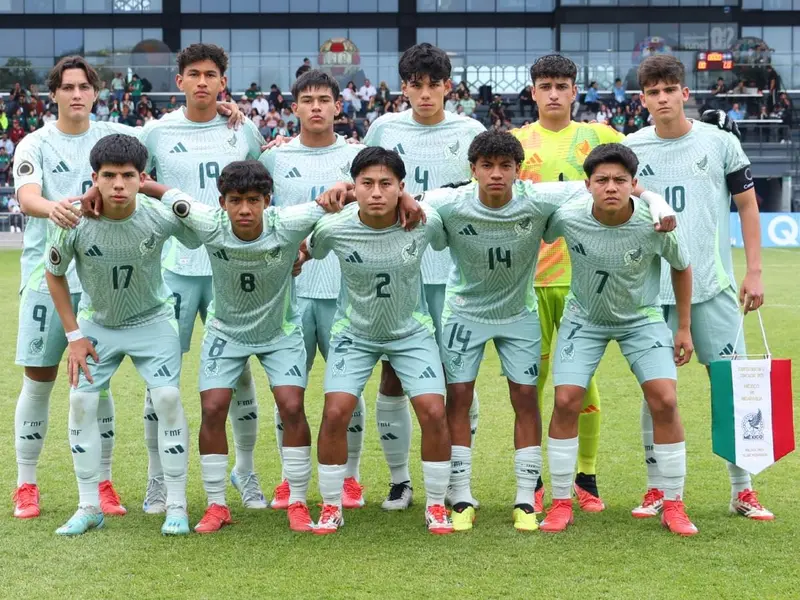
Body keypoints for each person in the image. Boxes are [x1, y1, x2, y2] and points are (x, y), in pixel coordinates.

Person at [143, 160, 334, 534]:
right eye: (235, 200)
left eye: (253, 200)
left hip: (280, 332)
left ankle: (297, 501)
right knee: (213, 408)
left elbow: (340, 201)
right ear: (222, 202)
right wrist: (141, 185)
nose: (244, 209)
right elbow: (168, 194)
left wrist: (343, 190)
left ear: (267, 201)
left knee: (291, 405)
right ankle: (217, 505)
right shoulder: (209, 222)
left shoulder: (289, 222)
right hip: (225, 332)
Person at [623, 54, 773, 521]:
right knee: (656, 392)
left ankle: (743, 489)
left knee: (731, 388)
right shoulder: (630, 148)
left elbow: (748, 206)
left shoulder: (720, 142)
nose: (663, 98)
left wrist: (754, 271)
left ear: (685, 93)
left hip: (712, 287)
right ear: (642, 100)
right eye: (653, 92)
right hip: (652, 294)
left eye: (670, 90)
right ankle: (656, 488)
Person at [538, 142, 696, 536]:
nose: (611, 187)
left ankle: (674, 504)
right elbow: (536, 223)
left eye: (620, 180)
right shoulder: (569, 216)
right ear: (587, 185)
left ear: (633, 184)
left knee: (665, 399)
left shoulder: (655, 222)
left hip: (641, 319)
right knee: (566, 400)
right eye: (602, 180)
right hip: (584, 318)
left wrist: (683, 327)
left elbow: (682, 266)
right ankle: (560, 503)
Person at [134, 43, 266, 514]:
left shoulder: (242, 129)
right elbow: (131, 181)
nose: (203, 82)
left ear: (223, 82)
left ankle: (245, 471)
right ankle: (157, 479)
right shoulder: (156, 132)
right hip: (175, 269)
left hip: (231, 269)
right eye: (194, 74)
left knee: (240, 372)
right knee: (159, 379)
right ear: (180, 81)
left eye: (211, 74)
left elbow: (261, 183)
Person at [44, 134, 195, 536]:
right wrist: (74, 335)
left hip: (153, 321)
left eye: (128, 176)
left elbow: (199, 230)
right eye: (108, 176)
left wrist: (161, 192)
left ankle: (176, 505)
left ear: (142, 178)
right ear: (94, 178)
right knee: (80, 402)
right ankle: (88, 506)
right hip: (97, 324)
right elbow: (54, 275)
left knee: (167, 398)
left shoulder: (158, 214)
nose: (118, 185)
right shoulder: (73, 219)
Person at [363, 43, 485, 511]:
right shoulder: (384, 128)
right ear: (404, 88)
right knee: (393, 374)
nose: (426, 93)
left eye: (435, 84)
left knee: (459, 379)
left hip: (455, 273)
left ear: (448, 87)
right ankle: (400, 480)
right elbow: (367, 183)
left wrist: (425, 199)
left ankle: (457, 480)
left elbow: (479, 191)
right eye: (417, 85)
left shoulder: (470, 131)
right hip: (398, 272)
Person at [307, 147, 453, 536]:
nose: (376, 192)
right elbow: (310, 248)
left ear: (401, 187)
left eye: (386, 184)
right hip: (354, 334)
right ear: (353, 187)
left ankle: (436, 505)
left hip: (411, 332)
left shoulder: (423, 221)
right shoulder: (334, 227)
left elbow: (448, 218)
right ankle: (331, 505)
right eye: (367, 183)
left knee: (434, 412)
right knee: (335, 412)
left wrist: (414, 201)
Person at [11, 56, 130, 520]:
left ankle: (104, 483)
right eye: (67, 87)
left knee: (98, 385)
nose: (76, 94)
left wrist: (229, 112)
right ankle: (26, 484)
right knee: (38, 381)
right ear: (54, 94)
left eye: (84, 87)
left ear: (95, 93)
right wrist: (52, 208)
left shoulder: (115, 136)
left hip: (100, 282)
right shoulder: (35, 142)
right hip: (46, 278)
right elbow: (27, 196)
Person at [510, 54, 624, 513]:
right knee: (530, 387)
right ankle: (534, 479)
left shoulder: (600, 137)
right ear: (533, 92)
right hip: (528, 284)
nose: (554, 93)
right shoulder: (517, 143)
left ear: (575, 91)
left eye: (561, 86)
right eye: (545, 86)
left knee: (582, 385)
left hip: (583, 283)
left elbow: (640, 169)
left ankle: (586, 476)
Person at [259, 69, 367, 510]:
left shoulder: (358, 156)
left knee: (348, 391)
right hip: (291, 290)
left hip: (346, 289)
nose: (317, 107)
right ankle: (290, 478)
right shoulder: (274, 159)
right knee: (289, 390)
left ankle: (351, 478)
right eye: (308, 100)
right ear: (294, 109)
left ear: (339, 107)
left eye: (325, 100)